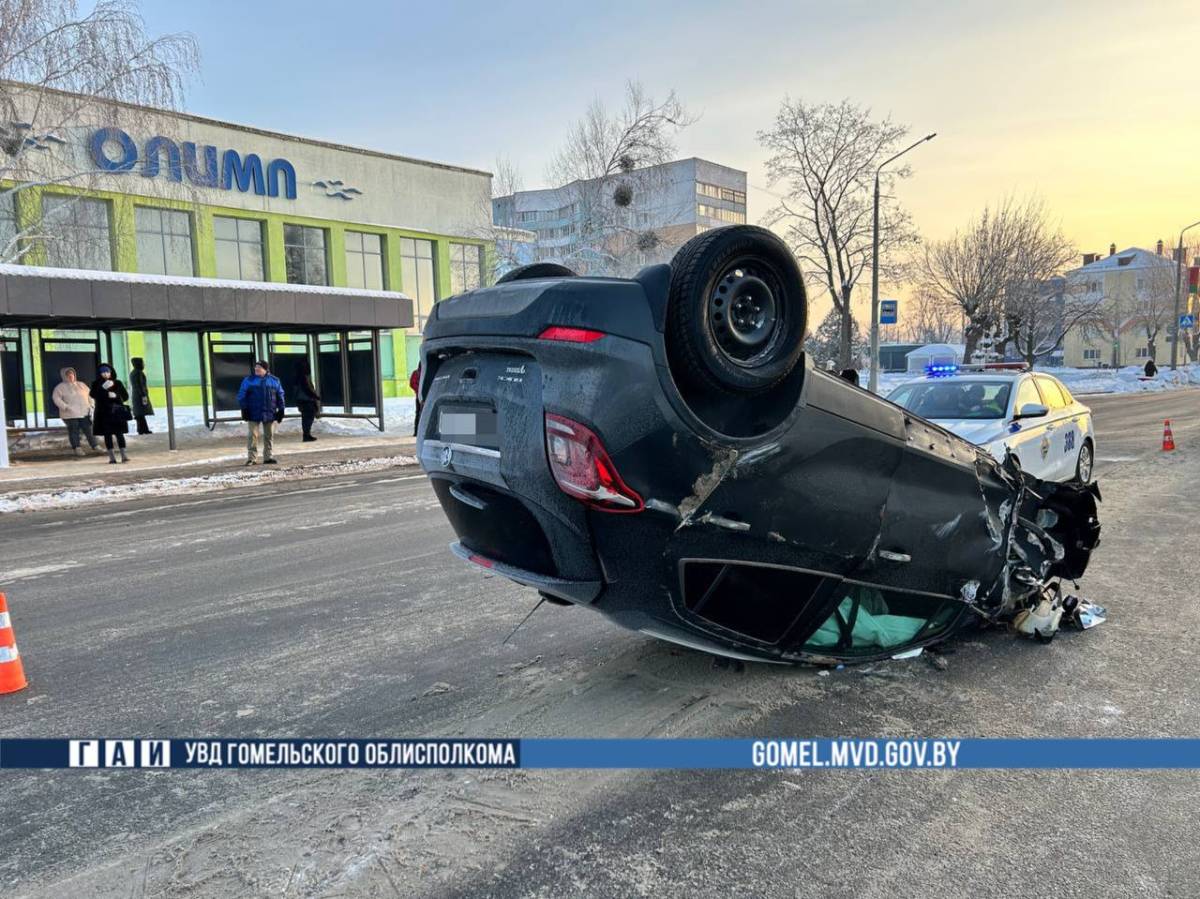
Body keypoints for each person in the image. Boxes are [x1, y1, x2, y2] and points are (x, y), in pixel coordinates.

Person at [237, 360, 285, 465]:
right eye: (256, 367)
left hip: (270, 412)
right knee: (252, 436)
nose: (256, 369)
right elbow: (241, 395)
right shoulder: (249, 380)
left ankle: (268, 457)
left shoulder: (274, 380)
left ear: (265, 369)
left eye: (259, 367)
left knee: (269, 435)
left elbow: (280, 395)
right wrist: (244, 409)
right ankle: (252, 458)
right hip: (253, 412)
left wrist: (281, 409)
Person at [51, 367, 99, 456]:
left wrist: (91, 405)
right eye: (68, 375)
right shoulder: (60, 387)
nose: (70, 376)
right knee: (74, 430)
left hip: (84, 412)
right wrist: (65, 407)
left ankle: (95, 446)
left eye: (72, 374)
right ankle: (77, 448)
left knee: (89, 429)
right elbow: (56, 399)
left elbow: (90, 395)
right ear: (64, 376)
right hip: (70, 414)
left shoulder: (82, 385)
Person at [90, 363, 131, 464]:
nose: (105, 374)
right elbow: (93, 395)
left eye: (107, 372)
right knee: (107, 435)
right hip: (104, 413)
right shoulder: (96, 384)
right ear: (99, 374)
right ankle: (111, 457)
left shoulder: (117, 383)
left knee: (119, 434)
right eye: (103, 372)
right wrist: (103, 390)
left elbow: (125, 396)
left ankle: (124, 455)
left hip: (116, 412)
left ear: (111, 372)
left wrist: (116, 395)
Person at [294, 361, 321, 442]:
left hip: (301, 400)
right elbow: (307, 389)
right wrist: (315, 396)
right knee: (308, 418)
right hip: (307, 400)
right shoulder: (304, 377)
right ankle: (306, 435)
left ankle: (306, 434)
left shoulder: (297, 377)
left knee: (305, 418)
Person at [129, 357, 153, 434]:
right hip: (140, 395)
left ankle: (142, 429)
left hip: (136, 395)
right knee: (140, 413)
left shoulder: (133, 373)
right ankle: (143, 429)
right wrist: (144, 395)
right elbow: (140, 385)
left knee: (139, 414)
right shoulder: (138, 373)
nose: (143, 365)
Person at [410, 364, 422, 437]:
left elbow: (412, 383)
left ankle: (417, 432)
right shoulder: (416, 373)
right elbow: (412, 383)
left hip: (420, 395)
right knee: (418, 413)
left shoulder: (417, 373)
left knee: (419, 413)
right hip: (419, 396)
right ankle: (417, 431)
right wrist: (419, 390)